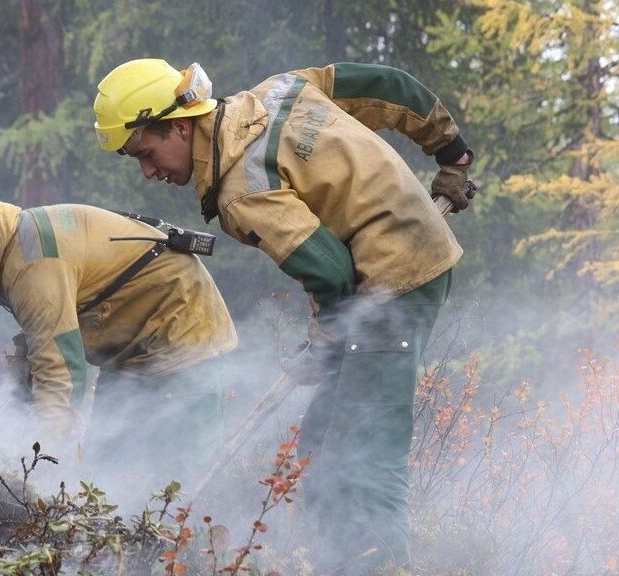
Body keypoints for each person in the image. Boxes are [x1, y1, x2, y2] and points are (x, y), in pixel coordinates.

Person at [92, 59, 476, 574]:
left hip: (393, 289)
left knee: (365, 462)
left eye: (145, 151)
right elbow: (390, 87)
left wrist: (323, 341)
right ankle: (331, 561)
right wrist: (451, 151)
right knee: (319, 445)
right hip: (389, 272)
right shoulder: (277, 91)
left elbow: (332, 272)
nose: (147, 170)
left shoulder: (241, 190)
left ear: (179, 125)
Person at [0, 184, 238, 495]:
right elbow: (40, 343)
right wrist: (3, 435)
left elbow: (61, 376)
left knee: (187, 487)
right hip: (131, 346)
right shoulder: (0, 252)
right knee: (108, 473)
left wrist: (35, 475)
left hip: (183, 331)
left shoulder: (30, 263)